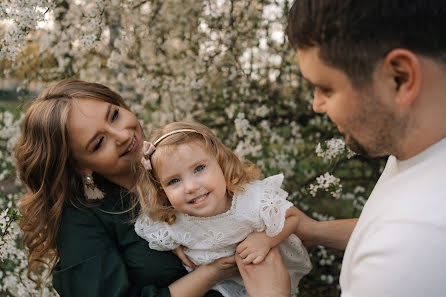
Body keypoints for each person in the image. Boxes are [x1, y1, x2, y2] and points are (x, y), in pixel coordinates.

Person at [236, 1, 446, 297]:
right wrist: (314, 230)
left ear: (400, 78)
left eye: (326, 88)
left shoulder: (411, 248)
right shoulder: (419, 150)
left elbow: (402, 240)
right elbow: (385, 230)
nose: (316, 104)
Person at [15, 79, 238, 297]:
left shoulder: (178, 155)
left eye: (114, 116)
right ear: (80, 166)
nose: (123, 135)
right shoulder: (81, 220)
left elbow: (251, 203)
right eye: (99, 143)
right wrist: (211, 274)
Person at [133, 121, 312, 297]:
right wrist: (174, 246)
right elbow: (151, 226)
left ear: (220, 162)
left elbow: (292, 218)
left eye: (199, 168)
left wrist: (266, 240)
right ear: (163, 193)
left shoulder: (248, 199)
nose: (190, 187)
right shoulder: (174, 219)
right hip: (222, 287)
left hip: (267, 275)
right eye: (174, 181)